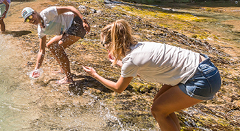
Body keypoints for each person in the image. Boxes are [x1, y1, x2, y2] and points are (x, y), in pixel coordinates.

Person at [82, 19, 222, 131]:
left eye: (104, 44)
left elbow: (119, 88)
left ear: (113, 43)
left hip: (201, 79)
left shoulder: (131, 60)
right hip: (204, 68)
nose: (104, 47)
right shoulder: (140, 47)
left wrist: (95, 75)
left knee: (158, 110)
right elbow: (140, 67)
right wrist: (121, 64)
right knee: (160, 105)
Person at [21, 6, 90, 84]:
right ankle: (63, 69)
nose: (31, 20)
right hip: (68, 30)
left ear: (35, 13)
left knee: (58, 47)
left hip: (77, 23)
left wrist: (83, 20)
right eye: (27, 20)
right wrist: (36, 68)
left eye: (30, 16)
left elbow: (69, 8)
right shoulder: (40, 30)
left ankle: (68, 78)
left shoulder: (47, 13)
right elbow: (41, 50)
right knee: (50, 45)